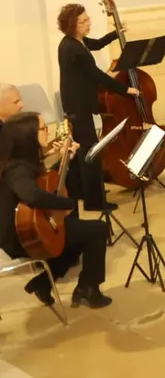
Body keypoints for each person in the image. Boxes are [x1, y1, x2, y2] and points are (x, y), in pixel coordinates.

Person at [0, 112, 112, 308]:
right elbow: (32, 195)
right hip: (21, 236)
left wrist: (65, 160)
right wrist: (66, 203)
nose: (48, 131)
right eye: (43, 128)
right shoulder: (17, 168)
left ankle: (43, 284)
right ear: (28, 135)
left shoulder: (21, 161)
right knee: (97, 230)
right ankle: (88, 288)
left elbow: (44, 182)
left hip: (31, 225)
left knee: (75, 236)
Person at [56, 3, 140, 212]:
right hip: (79, 105)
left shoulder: (75, 42)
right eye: (83, 21)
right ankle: (95, 202)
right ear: (72, 25)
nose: (88, 23)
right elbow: (97, 76)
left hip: (77, 103)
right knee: (90, 153)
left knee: (82, 151)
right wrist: (125, 89)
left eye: (88, 19)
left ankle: (80, 192)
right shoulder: (74, 49)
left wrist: (115, 33)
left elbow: (97, 44)